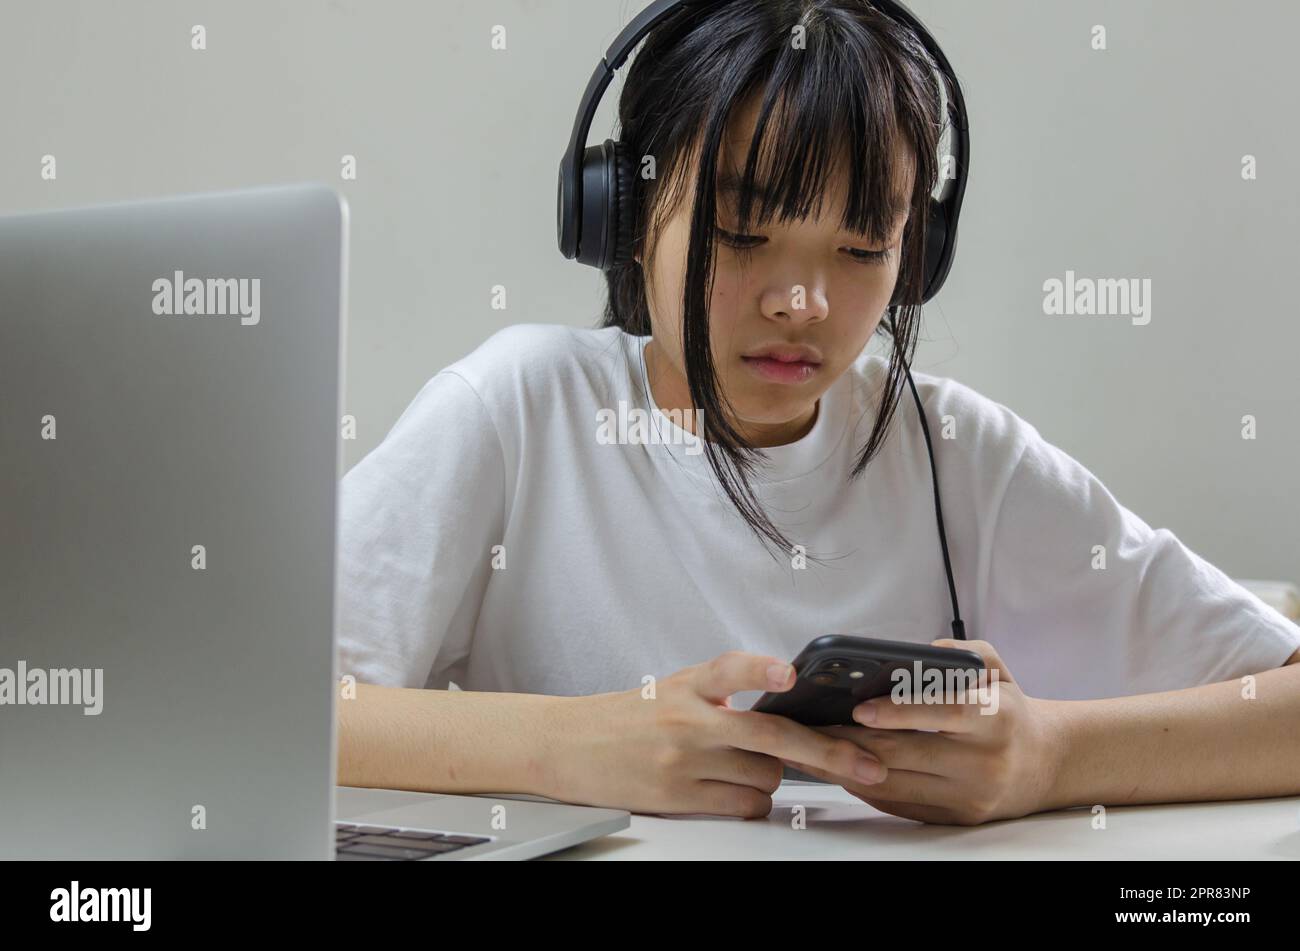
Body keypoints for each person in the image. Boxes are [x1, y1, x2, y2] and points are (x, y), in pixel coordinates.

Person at [334, 0, 1300, 825]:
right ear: (623, 219)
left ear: (914, 252)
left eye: (860, 248)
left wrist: (1049, 757)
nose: (803, 306)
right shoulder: (517, 412)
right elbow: (245, 703)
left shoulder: (956, 454)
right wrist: (570, 744)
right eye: (741, 233)